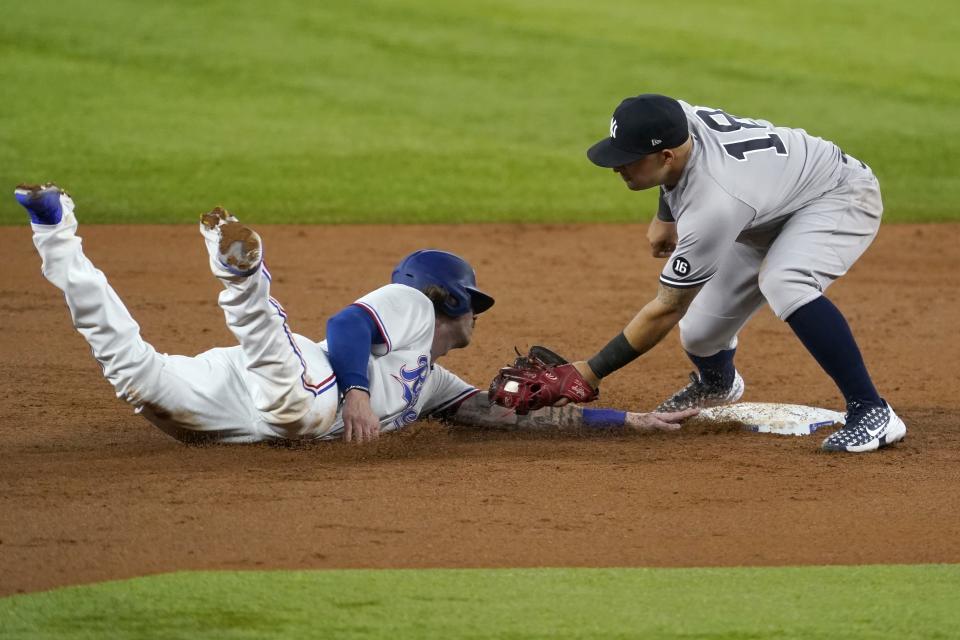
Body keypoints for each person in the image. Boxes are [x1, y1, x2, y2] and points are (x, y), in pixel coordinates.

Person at [14, 183, 696, 443]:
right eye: (474, 305)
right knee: (286, 377)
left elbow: (494, 416)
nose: (477, 319)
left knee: (132, 372)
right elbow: (346, 326)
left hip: (235, 410)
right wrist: (359, 396)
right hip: (307, 385)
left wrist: (628, 420)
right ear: (448, 299)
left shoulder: (432, 379)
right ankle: (238, 266)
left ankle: (55, 231)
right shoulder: (408, 307)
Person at [565, 94, 906, 453]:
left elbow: (667, 306)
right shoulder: (674, 120)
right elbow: (678, 161)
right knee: (699, 334)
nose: (618, 166)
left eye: (629, 160)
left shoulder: (714, 205)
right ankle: (717, 385)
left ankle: (872, 410)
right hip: (762, 209)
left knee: (785, 281)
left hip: (836, 195)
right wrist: (665, 216)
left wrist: (590, 371)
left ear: (666, 156)